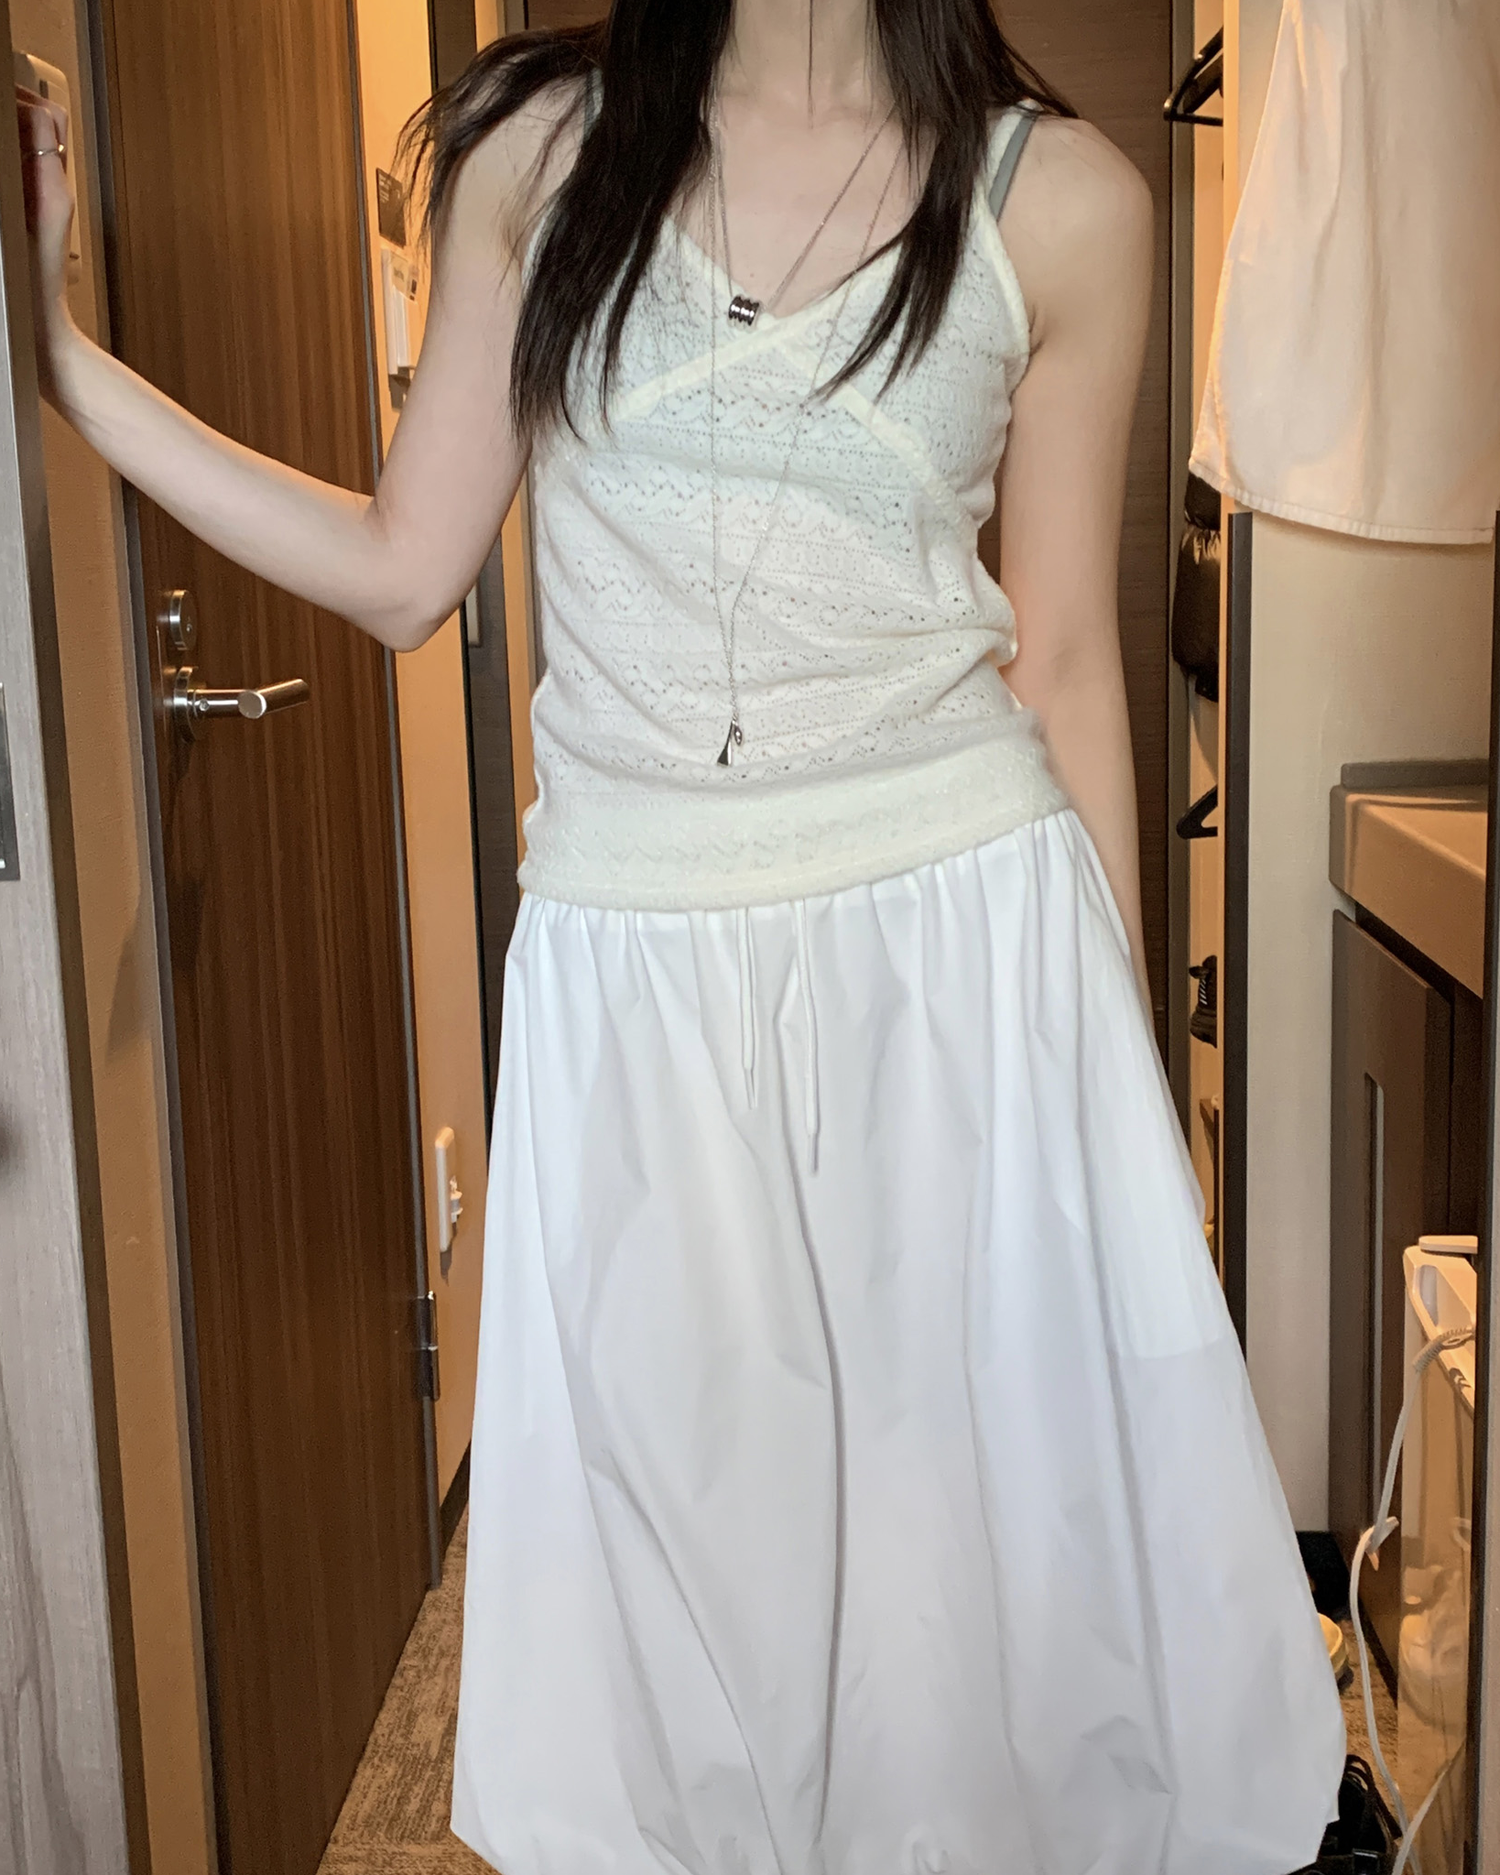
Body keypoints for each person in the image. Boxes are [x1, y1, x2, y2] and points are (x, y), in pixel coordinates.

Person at [22, 1, 1346, 1869]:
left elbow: (1058, 661)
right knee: (681, 1603)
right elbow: (405, 569)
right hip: (636, 968)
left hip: (962, 959)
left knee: (960, 1591)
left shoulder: (1066, 205)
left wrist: (1120, 1098)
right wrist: (64, 366)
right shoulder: (538, 154)